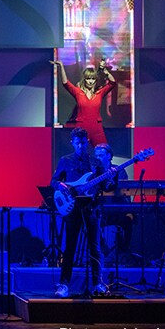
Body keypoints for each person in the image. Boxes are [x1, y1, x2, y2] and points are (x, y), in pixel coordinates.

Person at [51, 127, 116, 297]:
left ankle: (97, 284)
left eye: (83, 143)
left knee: (95, 247)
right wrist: (61, 185)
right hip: (73, 209)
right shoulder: (65, 160)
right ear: (72, 143)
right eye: (77, 143)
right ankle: (64, 284)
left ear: (87, 142)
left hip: (91, 208)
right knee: (70, 247)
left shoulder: (95, 162)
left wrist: (110, 176)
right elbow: (54, 181)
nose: (80, 146)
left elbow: (105, 186)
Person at [50, 58, 115, 146]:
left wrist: (105, 71)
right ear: (84, 79)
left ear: (96, 80)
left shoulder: (99, 92)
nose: (90, 81)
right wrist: (61, 66)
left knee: (103, 150)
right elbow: (65, 83)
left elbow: (112, 83)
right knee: (79, 151)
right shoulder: (78, 92)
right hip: (81, 128)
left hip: (97, 128)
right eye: (88, 79)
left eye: (93, 79)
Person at [94, 143, 134, 263]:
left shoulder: (119, 170)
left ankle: (123, 251)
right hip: (101, 210)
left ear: (109, 156)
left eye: (101, 155)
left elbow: (122, 190)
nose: (98, 158)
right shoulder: (93, 172)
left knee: (128, 220)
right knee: (90, 222)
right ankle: (104, 250)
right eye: (96, 156)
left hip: (118, 210)